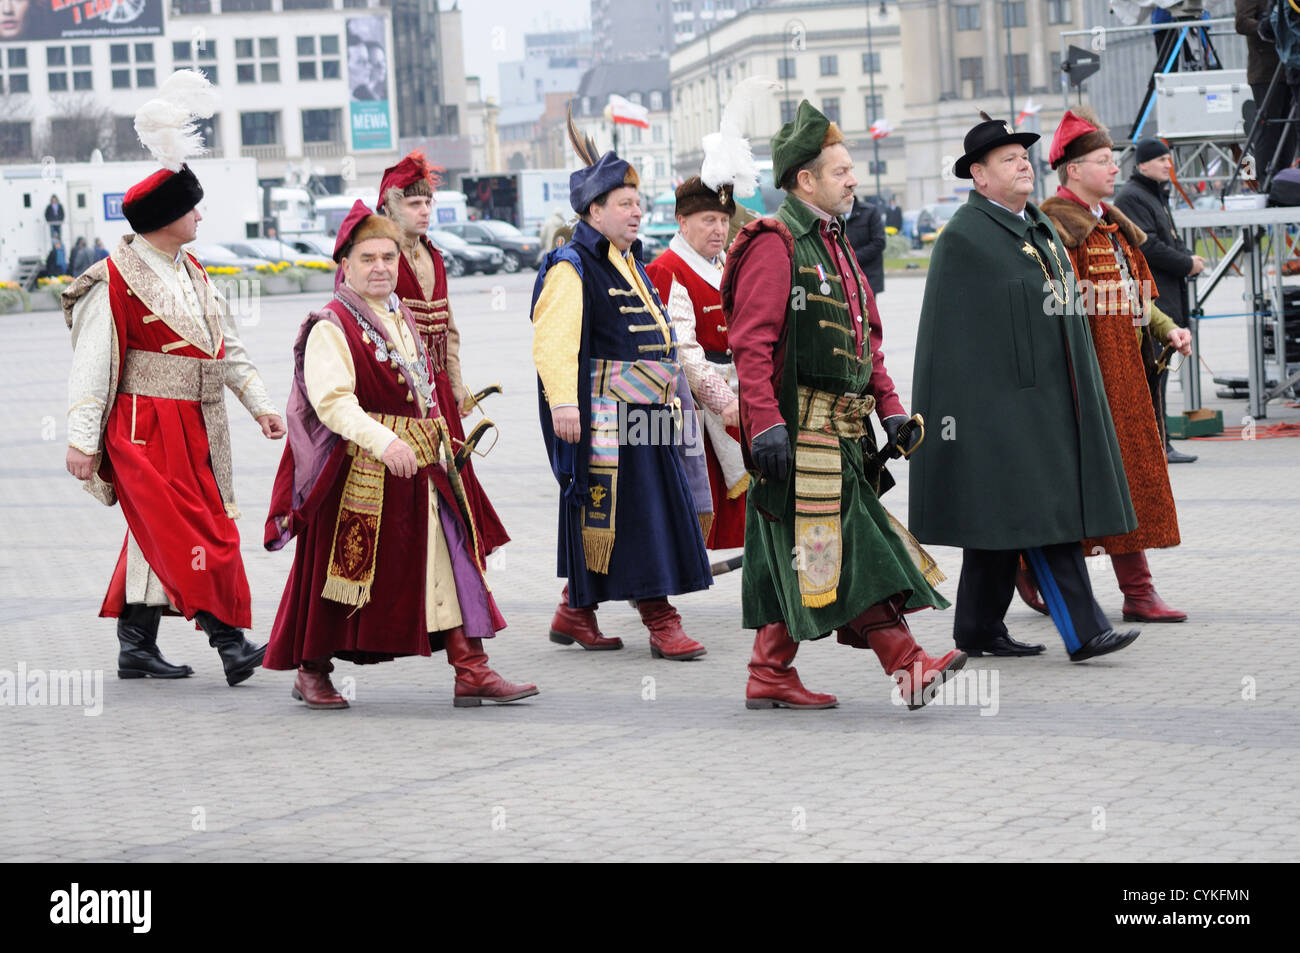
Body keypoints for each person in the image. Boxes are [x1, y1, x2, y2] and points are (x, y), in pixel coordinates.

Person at [724, 100, 961, 710]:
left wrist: (891, 410)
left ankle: (768, 672)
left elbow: (865, 343)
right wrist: (765, 424)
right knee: (854, 547)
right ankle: (908, 666)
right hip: (802, 437)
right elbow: (751, 343)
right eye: (841, 170)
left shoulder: (834, 240)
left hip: (844, 437)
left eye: (851, 169)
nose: (854, 179)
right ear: (805, 180)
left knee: (806, 552)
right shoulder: (776, 243)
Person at [263, 201, 537, 709]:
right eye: (368, 258)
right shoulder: (330, 324)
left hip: (422, 465)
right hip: (359, 472)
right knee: (339, 576)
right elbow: (332, 402)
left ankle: (471, 669)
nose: (380, 267)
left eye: (388, 257)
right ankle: (311, 670)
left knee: (452, 556)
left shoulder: (399, 312)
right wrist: (384, 442)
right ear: (345, 265)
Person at [910, 112, 1142, 663]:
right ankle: (1085, 632)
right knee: (1044, 515)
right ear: (979, 175)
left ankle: (976, 629)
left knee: (1002, 522)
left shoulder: (1037, 227)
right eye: (1008, 159)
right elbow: (951, 346)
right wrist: (971, 423)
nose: (1023, 165)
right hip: (998, 415)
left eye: (1024, 156)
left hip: (1050, 404)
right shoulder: (963, 239)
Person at [63, 148, 284, 685]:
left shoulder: (195, 271)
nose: (200, 217)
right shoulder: (110, 280)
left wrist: (260, 405)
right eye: (192, 209)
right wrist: (82, 441)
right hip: (143, 430)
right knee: (195, 533)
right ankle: (229, 642)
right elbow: (91, 364)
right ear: (166, 218)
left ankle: (136, 646)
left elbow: (226, 347)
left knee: (157, 532)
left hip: (197, 425)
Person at [530, 114, 713, 661]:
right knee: (641, 517)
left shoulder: (626, 261)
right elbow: (553, 343)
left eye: (639, 202)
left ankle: (575, 610)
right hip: (608, 418)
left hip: (648, 413)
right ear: (595, 211)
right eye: (625, 203)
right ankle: (661, 619)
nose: (637, 212)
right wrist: (564, 404)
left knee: (630, 513)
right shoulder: (572, 266)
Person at [1039, 109, 1191, 624]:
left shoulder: (1111, 224)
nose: (1113, 169)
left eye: (1112, 159)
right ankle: (1027, 568)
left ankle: (1137, 593)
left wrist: (1166, 328)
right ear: (1073, 170)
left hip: (1128, 379)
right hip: (1086, 384)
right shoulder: (1057, 229)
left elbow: (1137, 295)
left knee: (1128, 481)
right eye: (1103, 160)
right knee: (1078, 486)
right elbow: (1055, 311)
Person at [376, 150, 509, 560]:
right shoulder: (378, 260)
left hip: (439, 398)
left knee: (455, 484)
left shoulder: (435, 255)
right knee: (413, 492)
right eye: (413, 203)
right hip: (399, 399)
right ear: (390, 207)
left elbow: (449, 330)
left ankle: (457, 576)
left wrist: (456, 387)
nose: (424, 211)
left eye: (428, 202)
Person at [644, 175, 748, 551]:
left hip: (740, 391)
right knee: (695, 515)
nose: (719, 229)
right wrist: (722, 399)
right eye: (709, 220)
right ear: (682, 222)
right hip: (696, 407)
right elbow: (682, 349)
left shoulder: (726, 265)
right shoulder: (667, 269)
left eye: (723, 220)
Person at [1114, 137, 1205, 464]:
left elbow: (1167, 239)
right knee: (1153, 377)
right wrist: (1185, 263)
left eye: (1169, 159)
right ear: (1142, 165)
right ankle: (1157, 446)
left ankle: (1161, 443)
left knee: (1160, 377)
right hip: (1154, 301)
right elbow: (1148, 246)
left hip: (1165, 299)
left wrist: (1187, 257)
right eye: (1161, 160)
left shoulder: (1152, 195)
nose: (1169, 164)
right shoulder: (1133, 197)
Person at [1237, 0, 1293, 178]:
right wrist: (1270, 27)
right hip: (1266, 72)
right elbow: (1242, 22)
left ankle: (1284, 179)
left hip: (1291, 69)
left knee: (1290, 130)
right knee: (1269, 129)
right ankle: (1266, 181)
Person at [846, 193, 886, 296]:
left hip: (868, 274)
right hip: (844, 276)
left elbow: (879, 242)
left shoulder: (869, 211)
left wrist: (852, 258)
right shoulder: (832, 214)